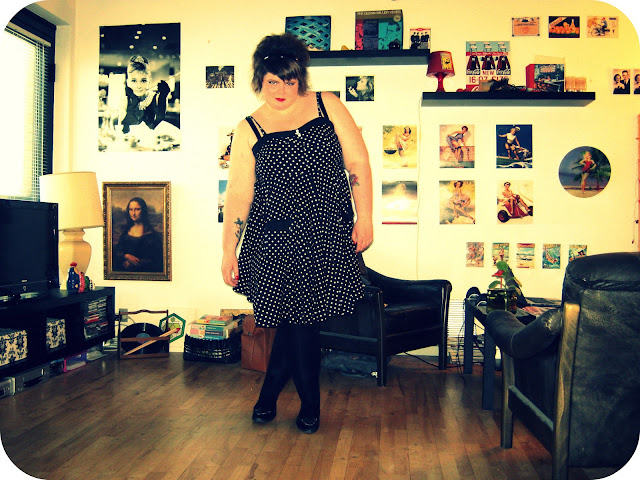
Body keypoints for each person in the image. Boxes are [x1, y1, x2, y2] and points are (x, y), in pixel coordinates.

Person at [221, 33, 373, 434]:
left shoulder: (327, 105)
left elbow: (357, 161)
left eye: (289, 81)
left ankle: (269, 397)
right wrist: (228, 250)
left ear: (300, 77)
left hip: (325, 233)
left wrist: (365, 217)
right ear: (260, 78)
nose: (281, 90)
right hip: (275, 239)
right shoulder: (249, 127)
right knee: (300, 321)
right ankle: (309, 405)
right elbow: (239, 194)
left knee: (296, 321)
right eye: (273, 81)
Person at [120, 55, 170, 134]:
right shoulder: (125, 100)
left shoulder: (155, 98)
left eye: (143, 81)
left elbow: (159, 126)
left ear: (149, 82)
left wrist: (162, 98)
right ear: (128, 82)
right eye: (134, 81)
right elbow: (121, 127)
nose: (138, 86)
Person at [114, 197, 163, 272]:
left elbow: (156, 260)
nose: (133, 213)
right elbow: (118, 251)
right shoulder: (126, 232)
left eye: (137, 209)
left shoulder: (151, 235)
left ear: (143, 210)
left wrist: (133, 263)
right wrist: (126, 256)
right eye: (131, 209)